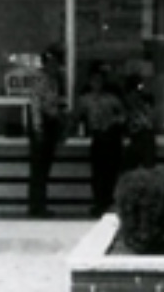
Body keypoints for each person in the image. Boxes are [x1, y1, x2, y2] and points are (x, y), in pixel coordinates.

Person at [73, 62, 126, 216]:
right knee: (98, 173)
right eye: (94, 80)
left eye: (99, 80)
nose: (97, 83)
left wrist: (114, 121)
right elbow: (76, 117)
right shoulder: (85, 100)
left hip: (111, 137)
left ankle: (108, 201)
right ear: (90, 82)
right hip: (97, 137)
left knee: (111, 171)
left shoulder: (111, 99)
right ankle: (98, 202)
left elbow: (123, 115)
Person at [27, 45, 66, 218]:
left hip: (50, 123)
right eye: (52, 62)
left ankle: (40, 203)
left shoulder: (54, 80)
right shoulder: (41, 80)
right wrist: (38, 128)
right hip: (42, 124)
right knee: (39, 169)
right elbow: (36, 105)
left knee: (44, 168)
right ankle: (36, 205)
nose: (55, 66)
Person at [122, 74, 157, 171]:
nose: (136, 97)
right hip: (135, 139)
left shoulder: (143, 105)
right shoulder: (126, 108)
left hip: (142, 139)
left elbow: (148, 123)